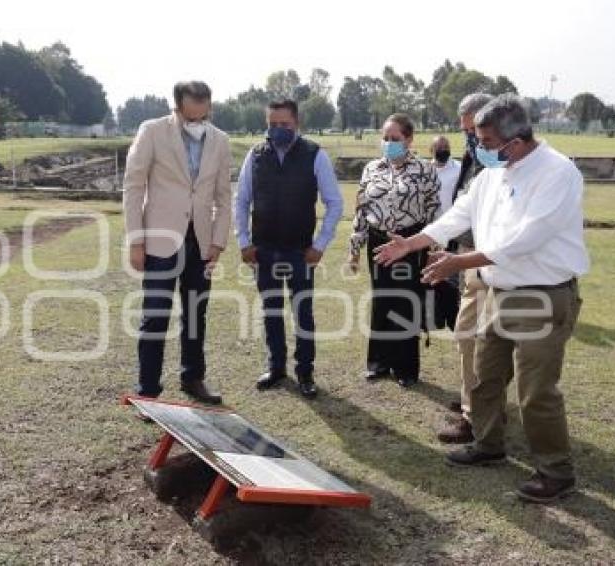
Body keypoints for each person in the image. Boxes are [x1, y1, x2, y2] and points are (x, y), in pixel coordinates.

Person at [373, 94, 589, 503]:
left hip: (542, 295)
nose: (479, 148)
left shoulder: (558, 172)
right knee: (485, 374)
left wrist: (459, 262)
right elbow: (459, 214)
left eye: (486, 141)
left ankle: (556, 472)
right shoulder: (493, 173)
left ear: (518, 140)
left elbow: (526, 239)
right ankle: (489, 444)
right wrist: (413, 243)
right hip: (498, 290)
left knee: (535, 391)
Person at [123, 80, 232, 406]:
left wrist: (218, 241)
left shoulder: (220, 140)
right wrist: (135, 241)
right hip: (159, 241)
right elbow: (133, 186)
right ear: (177, 108)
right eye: (190, 117)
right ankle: (148, 391)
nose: (196, 123)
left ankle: (192, 377)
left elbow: (224, 196)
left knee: (196, 315)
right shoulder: (153, 131)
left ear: (209, 108)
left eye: (202, 117)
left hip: (200, 243)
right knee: (155, 316)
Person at [235, 99, 344, 399]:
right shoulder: (255, 155)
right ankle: (276, 367)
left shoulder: (314, 154)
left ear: (297, 124)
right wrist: (244, 241)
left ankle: (305, 372)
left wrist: (320, 245)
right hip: (264, 250)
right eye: (272, 124)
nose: (278, 130)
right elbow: (241, 201)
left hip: (300, 252)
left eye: (285, 124)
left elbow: (335, 203)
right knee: (271, 311)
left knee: (303, 313)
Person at [348, 113, 440, 388]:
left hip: (410, 243)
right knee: (382, 299)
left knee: (406, 300)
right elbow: (362, 210)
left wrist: (433, 247)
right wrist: (354, 248)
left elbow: (435, 211)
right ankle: (379, 362)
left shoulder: (424, 170)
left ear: (409, 139)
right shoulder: (371, 169)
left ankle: (405, 367)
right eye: (385, 138)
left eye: (395, 139)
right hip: (377, 241)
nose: (389, 143)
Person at [436, 93, 494, 444]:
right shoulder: (474, 159)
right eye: (465, 132)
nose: (470, 138)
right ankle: (478, 403)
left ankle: (478, 413)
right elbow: (461, 208)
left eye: (475, 131)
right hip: (469, 258)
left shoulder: (503, 164)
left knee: (477, 339)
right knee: (469, 337)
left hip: (493, 261)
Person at [429, 135, 461, 214]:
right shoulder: (425, 171)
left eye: (446, 147)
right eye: (439, 148)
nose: (443, 150)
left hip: (454, 220)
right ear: (431, 150)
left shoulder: (459, 169)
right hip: (432, 221)